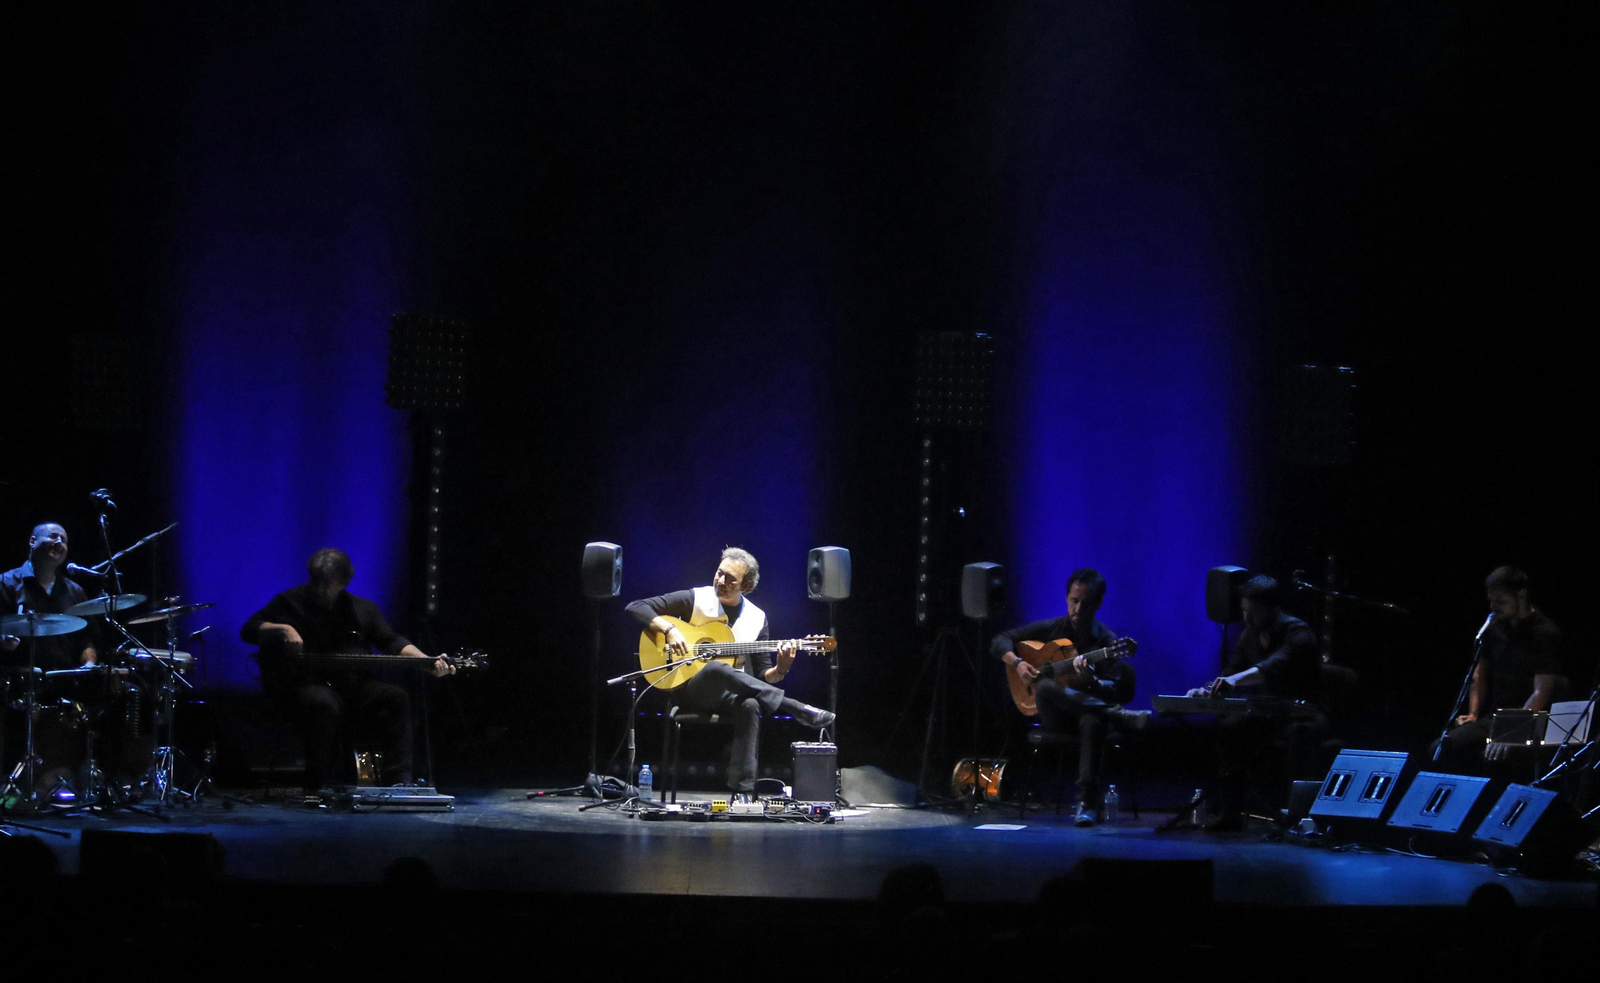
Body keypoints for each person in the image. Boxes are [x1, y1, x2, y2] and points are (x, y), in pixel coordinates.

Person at [624, 546, 835, 795]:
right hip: (687, 690)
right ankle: (794, 707)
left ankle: (743, 792)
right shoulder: (697, 598)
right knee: (716, 668)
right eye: (719, 573)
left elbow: (762, 674)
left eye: (730, 579)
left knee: (752, 705)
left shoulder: (757, 618)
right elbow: (635, 606)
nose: (720, 581)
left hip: (725, 697)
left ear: (745, 586)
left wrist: (781, 669)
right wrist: (669, 630)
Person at [242, 548, 450, 795]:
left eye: (328, 583)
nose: (320, 589)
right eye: (317, 581)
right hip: (307, 684)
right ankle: (317, 782)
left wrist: (427, 661)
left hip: (354, 684)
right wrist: (282, 629)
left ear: (344, 582)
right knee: (322, 703)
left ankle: (399, 780)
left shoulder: (362, 609)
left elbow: (391, 641)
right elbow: (249, 629)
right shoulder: (288, 602)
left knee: (396, 697)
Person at [991, 568, 1147, 826]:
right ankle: (1118, 716)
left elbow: (1117, 688)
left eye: (1085, 603)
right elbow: (1000, 639)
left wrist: (1092, 680)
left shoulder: (1108, 642)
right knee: (1045, 688)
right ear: (1067, 599)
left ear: (1097, 604)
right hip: (1056, 716)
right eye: (1074, 601)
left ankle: (1086, 803)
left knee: (1092, 719)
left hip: (1088, 715)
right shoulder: (1054, 627)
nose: (1077, 608)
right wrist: (1018, 663)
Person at [1183, 574, 1323, 831]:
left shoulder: (1298, 633)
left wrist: (1234, 681)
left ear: (1273, 608)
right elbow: (1231, 670)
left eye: (1254, 612)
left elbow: (1273, 666)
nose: (1247, 618)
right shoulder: (1250, 635)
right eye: (1244, 610)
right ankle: (1231, 813)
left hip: (1302, 714)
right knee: (1230, 729)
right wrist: (1207, 690)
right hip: (1268, 713)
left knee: (1299, 734)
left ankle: (1293, 817)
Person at [1434, 566, 1563, 774]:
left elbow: (1541, 691)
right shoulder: (1494, 627)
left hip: (1528, 720)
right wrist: (1473, 712)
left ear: (1521, 595)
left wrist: (1511, 731)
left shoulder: (1544, 633)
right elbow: (1479, 673)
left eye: (1501, 602)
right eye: (1491, 601)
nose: (1494, 607)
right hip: (1494, 717)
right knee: (1442, 748)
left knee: (1496, 760)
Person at [1, 523, 99, 669]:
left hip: (66, 682)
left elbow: (86, 640)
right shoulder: (5, 583)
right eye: (53, 536)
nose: (59, 542)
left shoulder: (75, 591)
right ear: (32, 541)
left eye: (63, 540)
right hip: (19, 683)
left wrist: (89, 664)